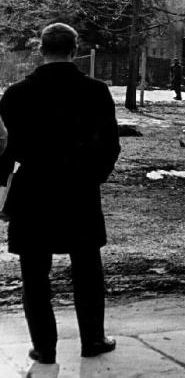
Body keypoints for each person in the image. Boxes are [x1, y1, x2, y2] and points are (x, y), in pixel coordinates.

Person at [0, 23, 120, 365]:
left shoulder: (16, 94)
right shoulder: (95, 92)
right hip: (79, 191)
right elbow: (109, 145)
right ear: (75, 48)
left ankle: (44, 347)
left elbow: (6, 151)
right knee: (87, 270)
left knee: (34, 275)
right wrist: (93, 176)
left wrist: (4, 192)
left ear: (41, 49)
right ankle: (93, 339)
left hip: (32, 193)